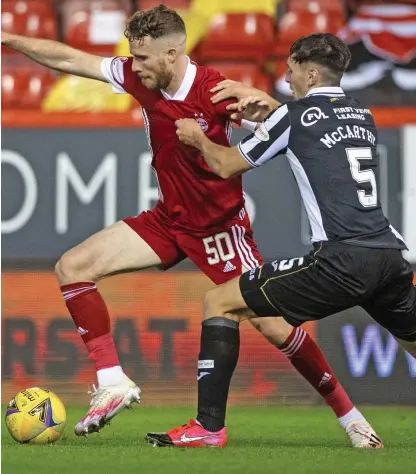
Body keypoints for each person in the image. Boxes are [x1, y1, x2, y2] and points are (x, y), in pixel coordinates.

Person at [2, 9, 377, 445]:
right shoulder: (140, 78)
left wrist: (264, 105)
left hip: (221, 230)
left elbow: (284, 129)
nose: (133, 66)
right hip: (169, 220)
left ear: (172, 53)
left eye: (142, 58)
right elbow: (70, 60)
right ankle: (113, 382)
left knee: (277, 329)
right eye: (131, 56)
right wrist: (9, 37)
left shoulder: (216, 91)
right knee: (72, 267)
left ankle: (351, 419)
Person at [146, 32, 416, 449]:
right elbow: (313, 126)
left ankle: (208, 428)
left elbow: (224, 165)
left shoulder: (293, 117)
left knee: (219, 301)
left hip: (339, 261)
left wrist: (197, 138)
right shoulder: (361, 113)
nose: (287, 79)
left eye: (290, 71)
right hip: (389, 256)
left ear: (310, 72)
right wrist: (271, 111)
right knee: (412, 340)